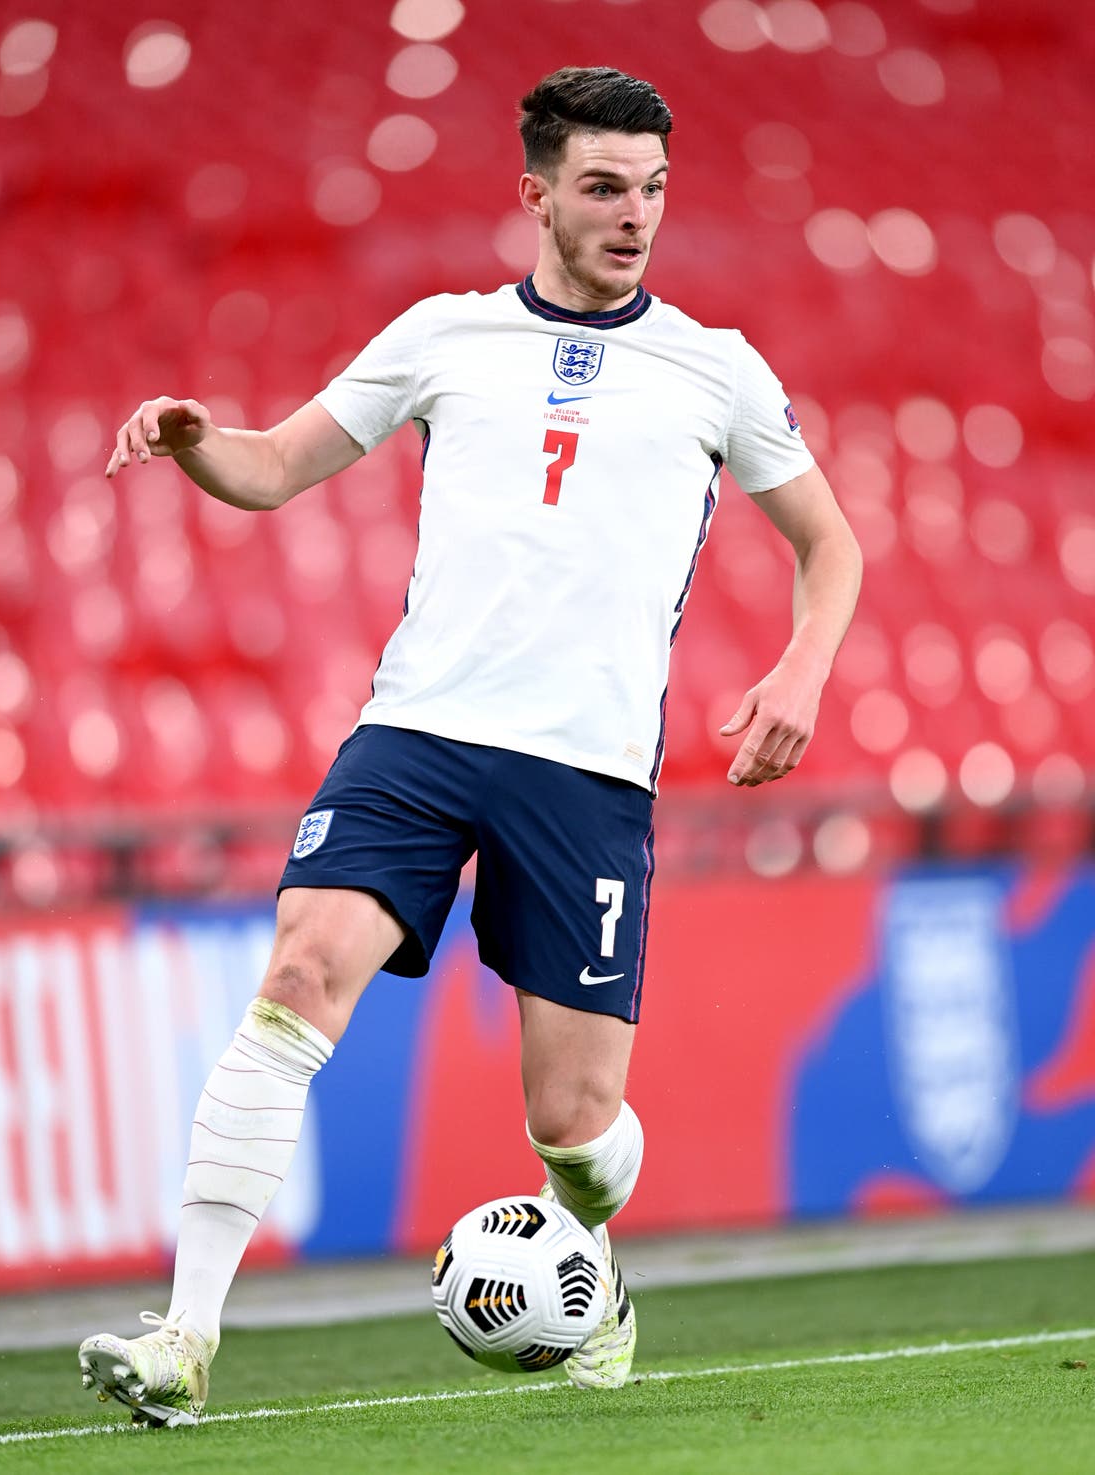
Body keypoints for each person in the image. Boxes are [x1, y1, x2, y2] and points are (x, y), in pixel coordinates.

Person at [79, 65, 862, 1426]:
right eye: (606, 189)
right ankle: (184, 1338)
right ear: (539, 194)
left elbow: (829, 545)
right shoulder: (443, 336)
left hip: (589, 771)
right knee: (302, 971)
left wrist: (801, 666)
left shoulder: (718, 368)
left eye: (654, 191)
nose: (634, 217)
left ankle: (595, 1274)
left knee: (572, 1128)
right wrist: (199, 441)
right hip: (420, 730)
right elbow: (273, 468)